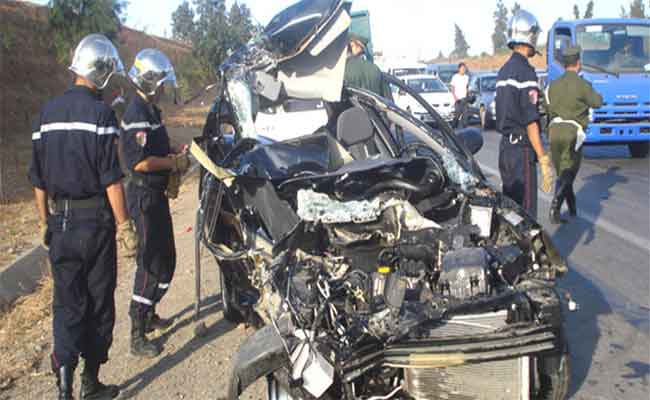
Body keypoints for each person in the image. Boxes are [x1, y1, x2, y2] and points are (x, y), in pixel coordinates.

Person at [29, 33, 137, 400]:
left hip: (60, 224)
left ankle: (64, 387)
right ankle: (91, 383)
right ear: (103, 72)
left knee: (67, 304)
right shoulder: (101, 115)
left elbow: (38, 179)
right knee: (98, 303)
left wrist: (44, 220)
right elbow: (111, 179)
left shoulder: (46, 114)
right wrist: (126, 227)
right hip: (95, 225)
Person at [120, 49, 189, 358]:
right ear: (148, 81)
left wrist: (176, 148)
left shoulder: (150, 110)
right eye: (160, 83)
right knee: (150, 263)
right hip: (143, 197)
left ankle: (149, 312)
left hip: (156, 196)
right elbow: (139, 162)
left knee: (168, 260)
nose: (162, 88)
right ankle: (137, 331)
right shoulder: (136, 112)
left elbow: (157, 144)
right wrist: (173, 163)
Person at [495, 10, 554, 218]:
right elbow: (531, 121)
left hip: (505, 150)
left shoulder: (503, 71)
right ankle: (526, 251)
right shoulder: (526, 73)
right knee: (526, 214)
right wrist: (543, 157)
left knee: (510, 213)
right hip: (521, 152)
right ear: (530, 36)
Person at [545, 46, 603, 224]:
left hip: (554, 131)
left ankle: (571, 206)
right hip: (573, 132)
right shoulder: (582, 84)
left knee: (562, 171)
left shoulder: (552, 85)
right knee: (570, 170)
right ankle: (555, 205)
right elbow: (598, 102)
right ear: (578, 63)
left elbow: (547, 107)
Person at [343, 33, 393, 100]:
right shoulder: (375, 68)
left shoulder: (340, 71)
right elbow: (389, 102)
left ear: (352, 45)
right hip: (373, 110)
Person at [451, 62, 470, 128]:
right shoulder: (455, 77)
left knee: (465, 117)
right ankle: (452, 129)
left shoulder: (466, 77)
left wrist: (468, 97)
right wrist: (455, 98)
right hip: (458, 100)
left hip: (464, 99)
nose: (463, 70)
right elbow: (452, 89)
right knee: (457, 116)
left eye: (464, 69)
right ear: (459, 69)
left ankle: (465, 130)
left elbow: (467, 88)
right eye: (462, 68)